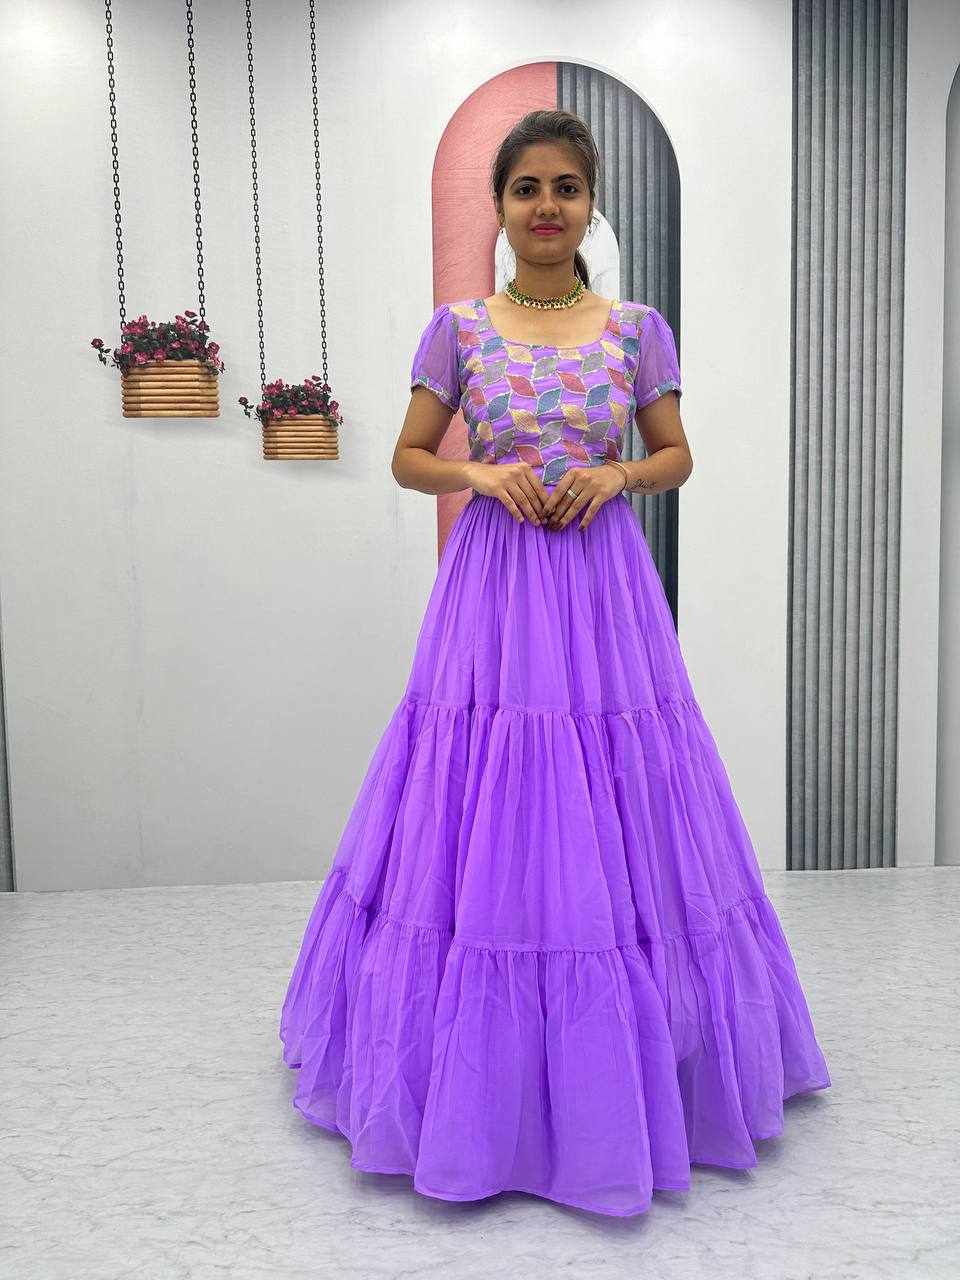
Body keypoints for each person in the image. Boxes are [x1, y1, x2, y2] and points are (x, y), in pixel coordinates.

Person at [279, 109, 831, 1219]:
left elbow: (676, 453)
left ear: (590, 204)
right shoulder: (459, 329)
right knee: (487, 785)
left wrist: (617, 475)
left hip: (602, 590)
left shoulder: (635, 329)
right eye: (526, 187)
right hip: (494, 592)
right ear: (498, 205)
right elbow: (407, 458)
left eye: (566, 188)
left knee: (620, 786)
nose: (546, 207)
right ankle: (476, 1075)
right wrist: (478, 477)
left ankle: (632, 1058)